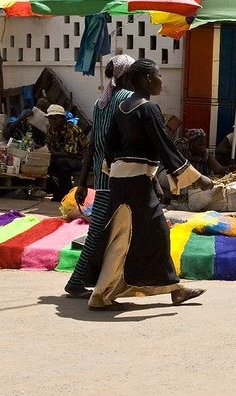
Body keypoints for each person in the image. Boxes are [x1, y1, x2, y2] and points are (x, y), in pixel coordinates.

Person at [82, 58, 212, 311]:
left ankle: (170, 289)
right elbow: (164, 144)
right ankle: (104, 294)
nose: (162, 80)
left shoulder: (121, 107)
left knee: (129, 236)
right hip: (135, 183)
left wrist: (144, 175)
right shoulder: (148, 109)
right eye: (159, 75)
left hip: (124, 179)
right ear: (147, 79)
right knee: (151, 233)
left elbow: (109, 145)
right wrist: (196, 178)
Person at [64, 54, 135, 298]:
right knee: (99, 231)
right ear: (126, 74)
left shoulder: (100, 103)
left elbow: (91, 145)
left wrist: (83, 183)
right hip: (120, 173)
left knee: (108, 229)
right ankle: (75, 282)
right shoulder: (127, 99)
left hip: (100, 175)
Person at [45, 103, 88, 202]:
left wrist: (51, 153)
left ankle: (65, 195)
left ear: (62, 118)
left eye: (55, 118)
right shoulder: (51, 130)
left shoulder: (72, 129)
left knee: (61, 163)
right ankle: (56, 192)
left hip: (81, 160)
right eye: (50, 118)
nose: (52, 121)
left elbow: (72, 154)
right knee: (49, 164)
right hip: (63, 158)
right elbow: (49, 146)